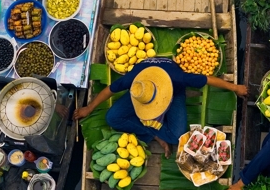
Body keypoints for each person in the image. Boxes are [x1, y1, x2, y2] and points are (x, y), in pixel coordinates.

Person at [73, 57, 247, 158]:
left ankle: (155, 132)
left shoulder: (178, 78)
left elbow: (207, 79)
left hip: (174, 93)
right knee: (112, 117)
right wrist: (89, 108)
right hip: (142, 93)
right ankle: (155, 134)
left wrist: (235, 87)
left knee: (176, 136)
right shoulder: (134, 80)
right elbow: (109, 90)